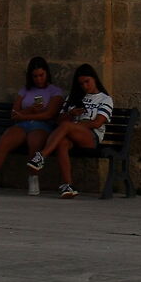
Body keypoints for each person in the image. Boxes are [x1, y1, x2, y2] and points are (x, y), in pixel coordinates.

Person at [0, 58, 65, 193]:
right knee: (4, 141)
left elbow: (49, 114)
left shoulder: (55, 91)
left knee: (34, 142)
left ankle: (33, 178)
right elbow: (15, 113)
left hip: (42, 125)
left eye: (41, 75)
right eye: (35, 76)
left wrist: (25, 115)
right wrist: (29, 111)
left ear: (47, 74)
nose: (38, 79)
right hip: (23, 124)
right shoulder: (25, 90)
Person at [34, 62, 114, 197]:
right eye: (81, 84)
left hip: (90, 137)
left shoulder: (105, 99)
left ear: (94, 78)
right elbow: (58, 120)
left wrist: (75, 125)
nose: (85, 86)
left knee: (66, 126)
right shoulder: (73, 98)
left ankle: (42, 156)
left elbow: (96, 123)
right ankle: (67, 185)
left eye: (87, 82)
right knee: (62, 142)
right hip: (70, 135)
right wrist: (71, 114)